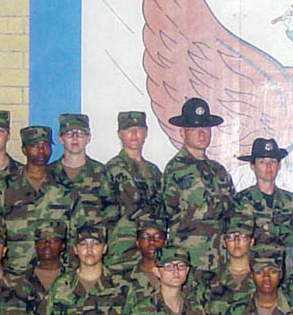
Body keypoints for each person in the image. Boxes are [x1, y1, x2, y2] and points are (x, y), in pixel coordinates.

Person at [161, 97, 235, 272]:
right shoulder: (175, 169)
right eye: (194, 129)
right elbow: (166, 212)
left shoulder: (218, 170)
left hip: (220, 258)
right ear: (182, 133)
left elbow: (233, 210)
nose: (201, 133)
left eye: (205, 128)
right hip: (187, 260)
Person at [0, 124, 73, 275]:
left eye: (46, 145)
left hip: (56, 272)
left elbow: (73, 231)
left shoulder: (64, 186)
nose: (41, 150)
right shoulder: (6, 186)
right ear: (24, 150)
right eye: (35, 145)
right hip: (16, 271)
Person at [233, 136, 293, 277]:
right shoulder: (241, 201)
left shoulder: (290, 200)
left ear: (279, 165)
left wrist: (273, 229)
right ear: (252, 166)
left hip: (284, 274)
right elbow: (235, 240)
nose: (268, 167)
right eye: (262, 162)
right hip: (250, 274)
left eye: (273, 161)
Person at [104, 110, 163, 273]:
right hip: (122, 247)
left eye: (139, 129)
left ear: (146, 133)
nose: (134, 134)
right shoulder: (112, 169)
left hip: (151, 247)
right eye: (128, 130)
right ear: (119, 134)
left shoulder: (154, 171)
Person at [48, 113, 114, 236]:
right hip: (56, 244)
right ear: (60, 139)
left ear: (88, 138)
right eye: (69, 133)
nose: (75, 138)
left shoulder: (101, 173)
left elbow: (112, 211)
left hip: (90, 244)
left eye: (80, 133)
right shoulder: (48, 173)